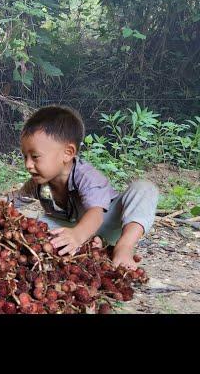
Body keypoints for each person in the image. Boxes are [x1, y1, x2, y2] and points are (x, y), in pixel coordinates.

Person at [10, 105, 158, 269]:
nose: (28, 164)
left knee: (144, 188)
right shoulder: (38, 183)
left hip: (108, 222)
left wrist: (78, 235)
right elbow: (13, 203)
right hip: (70, 229)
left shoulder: (86, 177)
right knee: (29, 224)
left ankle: (124, 247)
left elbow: (96, 215)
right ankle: (95, 244)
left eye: (35, 157)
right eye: (25, 156)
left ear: (68, 153)